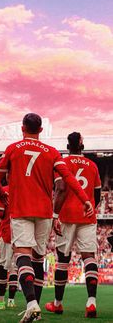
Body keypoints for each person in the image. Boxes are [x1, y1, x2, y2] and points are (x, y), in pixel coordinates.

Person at [0, 113, 94, 323]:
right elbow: (68, 179)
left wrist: (2, 194)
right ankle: (35, 307)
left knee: (22, 255)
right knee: (38, 258)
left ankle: (31, 304)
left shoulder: (13, 148)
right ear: (40, 130)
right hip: (45, 212)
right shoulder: (52, 152)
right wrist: (85, 199)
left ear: (22, 128)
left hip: (21, 209)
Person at [46, 132, 101, 318]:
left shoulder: (61, 163)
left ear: (67, 146)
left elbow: (60, 189)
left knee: (63, 259)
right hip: (87, 216)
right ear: (82, 146)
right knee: (89, 257)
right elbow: (98, 195)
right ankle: (91, 303)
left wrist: (55, 215)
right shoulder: (93, 166)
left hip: (66, 216)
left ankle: (58, 304)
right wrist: (89, 207)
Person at [0, 185, 18, 311]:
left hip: (7, 233)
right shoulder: (25, 186)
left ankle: (1, 301)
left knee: (2, 267)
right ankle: (12, 300)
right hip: (22, 233)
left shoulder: (5, 190)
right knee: (14, 269)